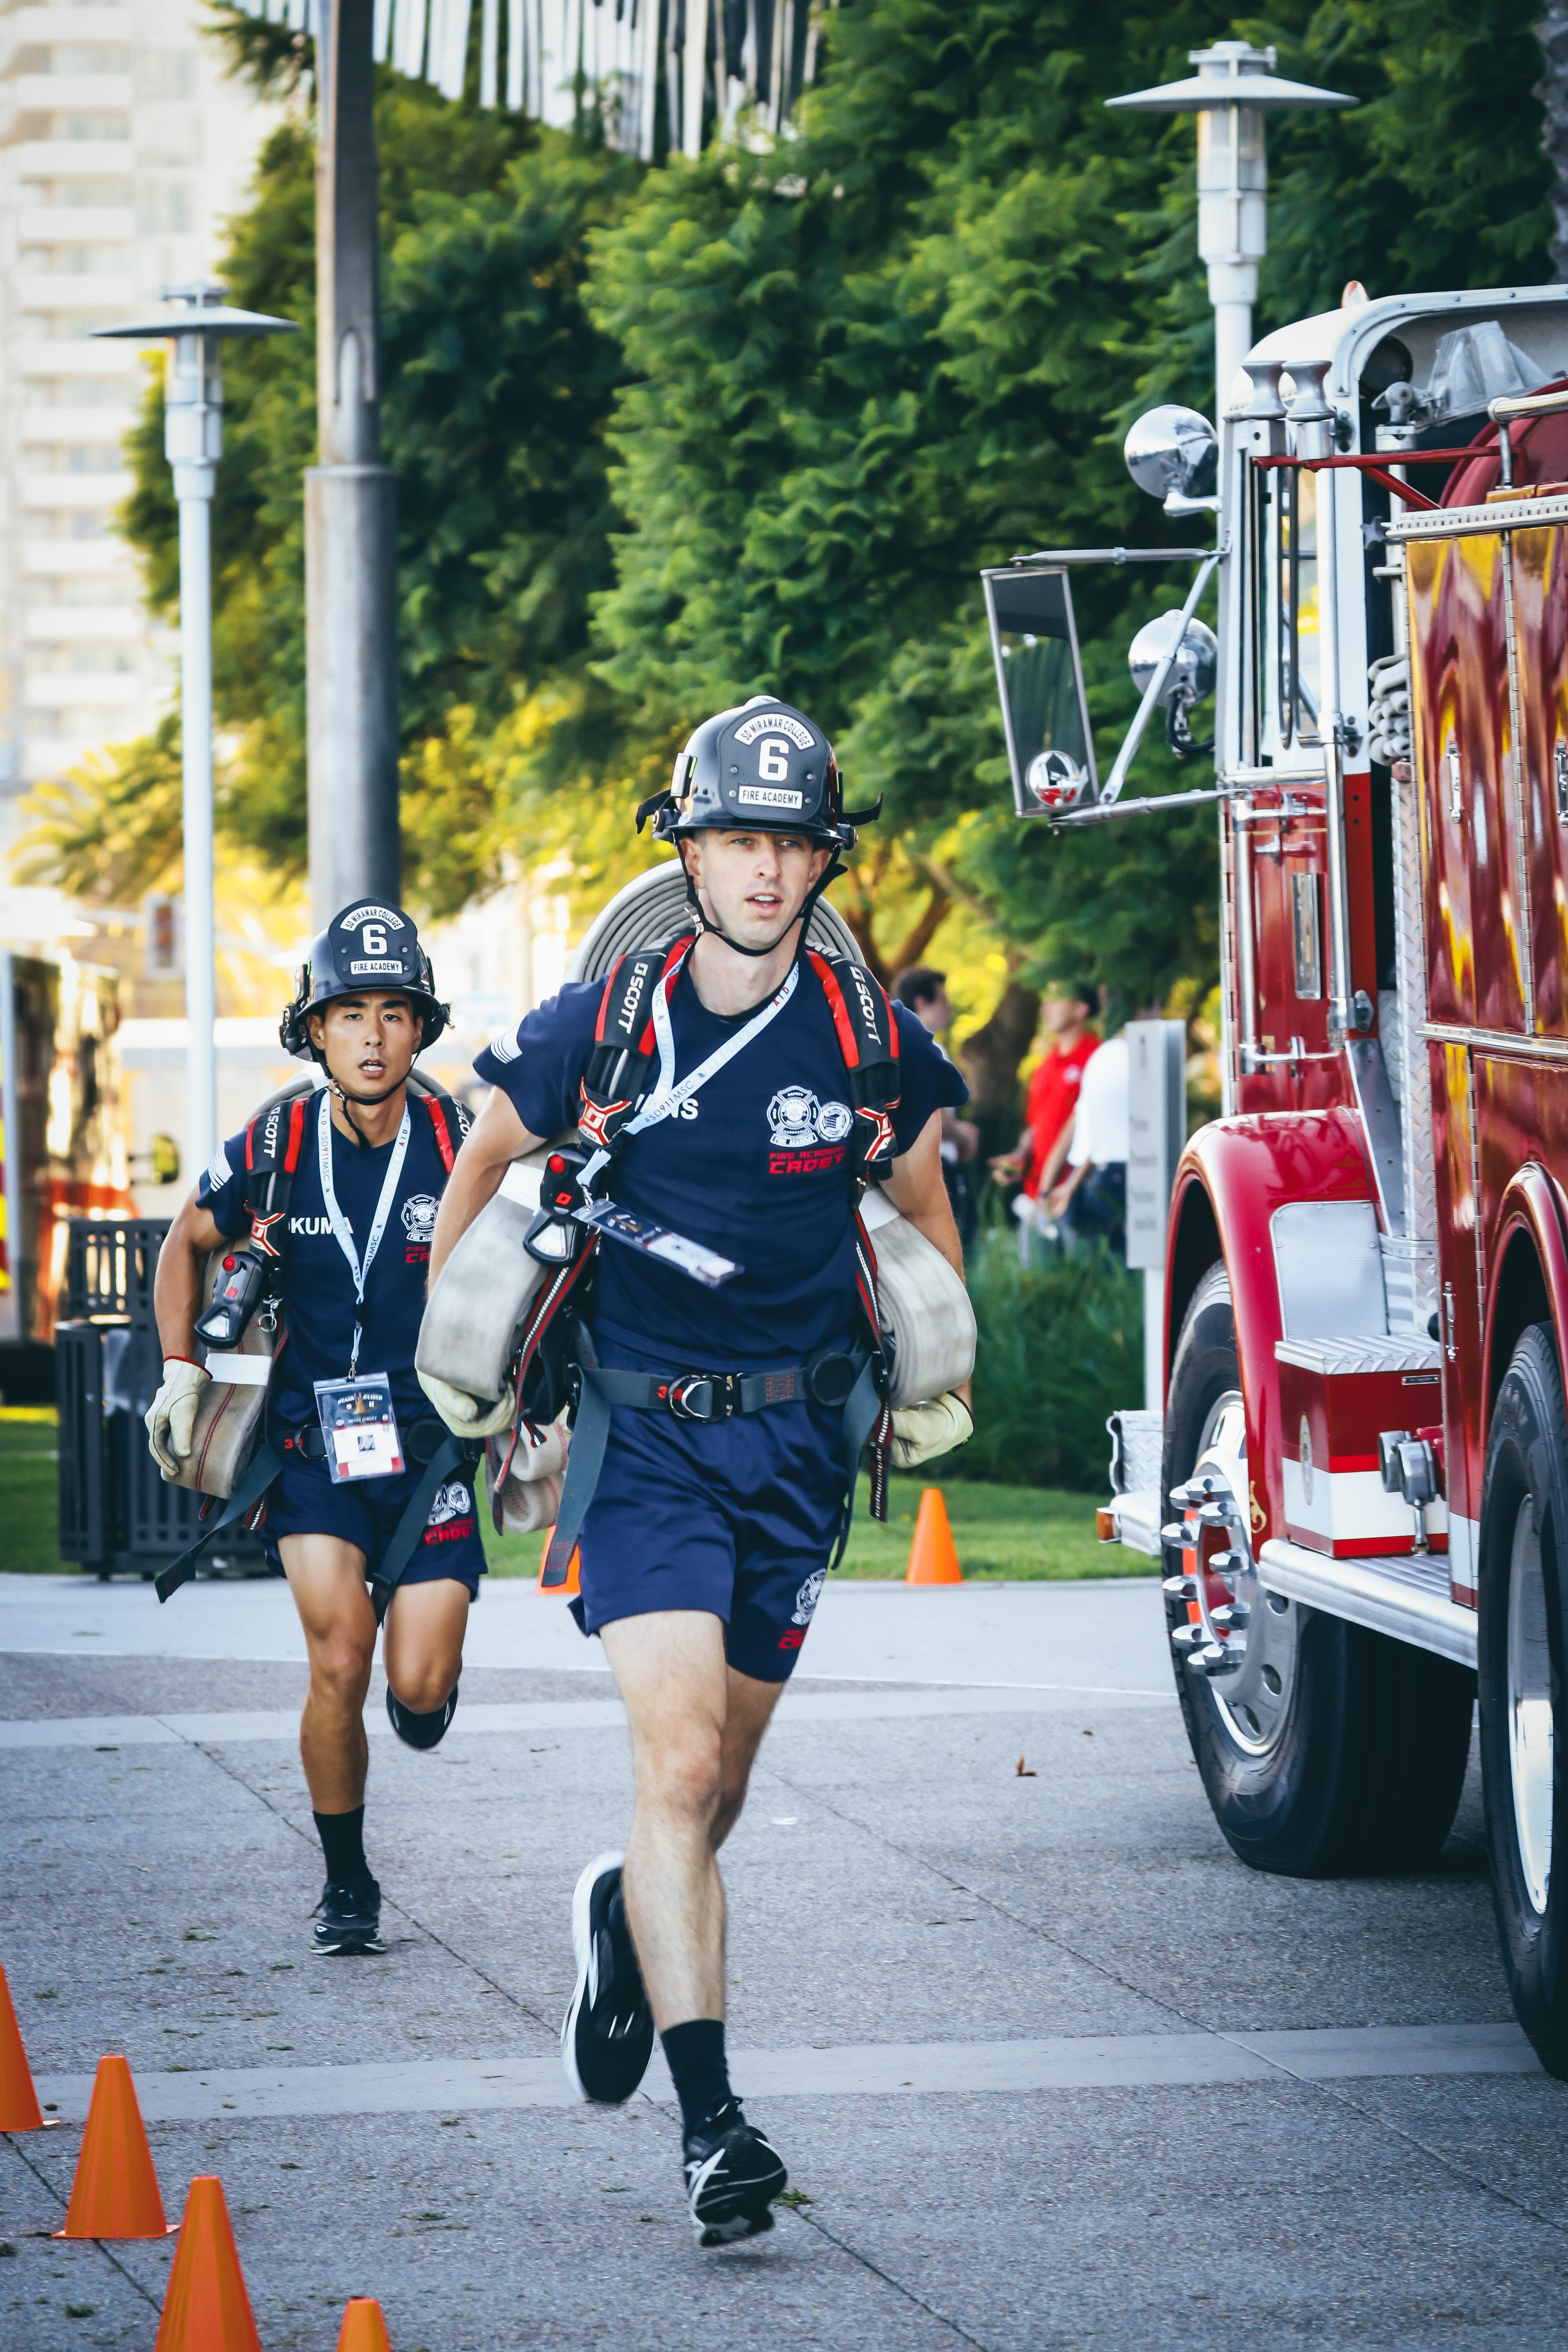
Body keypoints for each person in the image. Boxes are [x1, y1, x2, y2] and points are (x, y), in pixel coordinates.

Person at [426, 698, 972, 2245]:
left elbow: (921, 1203)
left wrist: (927, 1355)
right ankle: (713, 2128)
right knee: (675, 1770)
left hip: (796, 1452)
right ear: (690, 847)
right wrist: (463, 1331)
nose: (764, 870)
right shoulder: (601, 1021)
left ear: (818, 864)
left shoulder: (868, 1039)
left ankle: (623, 1918)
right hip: (647, 1439)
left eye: (791, 844)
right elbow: (484, 1154)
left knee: (717, 1786)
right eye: (738, 838)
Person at [145, 903, 484, 1960]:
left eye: (393, 1013)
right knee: (339, 1658)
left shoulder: (464, 1146)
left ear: (421, 1028)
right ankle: (348, 1882)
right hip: (311, 1454)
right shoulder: (274, 1142)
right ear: (315, 1029)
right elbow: (181, 1246)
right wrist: (179, 1372)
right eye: (349, 1014)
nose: (373, 1036)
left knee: (417, 1686)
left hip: (430, 1454)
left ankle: (424, 1696)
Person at [892, 967, 980, 1248]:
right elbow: (935, 1113)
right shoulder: (929, 1048)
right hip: (935, 1167)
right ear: (921, 1003)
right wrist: (963, 1136)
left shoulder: (888, 1045)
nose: (949, 1008)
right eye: (943, 1000)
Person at [1045, 1023, 1129, 1258]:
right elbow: (1100, 1137)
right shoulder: (1123, 1057)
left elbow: (1073, 1132)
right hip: (1104, 1177)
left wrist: (1048, 1189)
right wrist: (1068, 1186)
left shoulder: (1100, 1056)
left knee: (1090, 1273)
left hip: (1087, 1179)